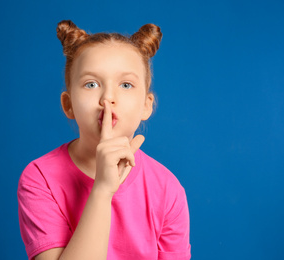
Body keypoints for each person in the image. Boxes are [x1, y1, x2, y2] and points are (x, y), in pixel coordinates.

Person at [17, 20, 191, 260]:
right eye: (91, 84)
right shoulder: (40, 178)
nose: (108, 97)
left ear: (146, 105)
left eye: (126, 85)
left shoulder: (168, 190)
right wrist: (102, 190)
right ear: (68, 105)